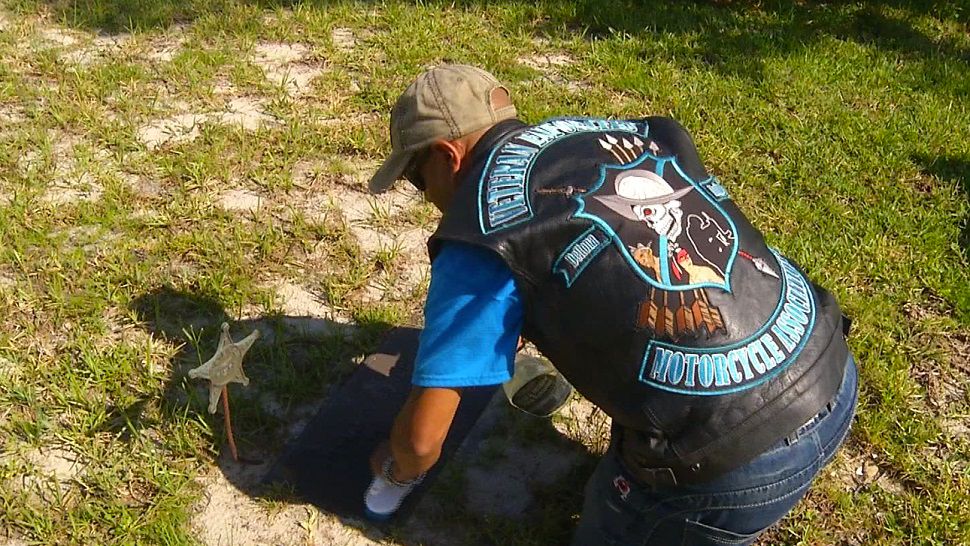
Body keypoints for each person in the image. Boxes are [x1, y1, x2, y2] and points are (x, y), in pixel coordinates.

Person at [364, 64, 857, 545]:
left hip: (737, 468)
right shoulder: (610, 129)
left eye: (416, 179)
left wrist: (391, 464)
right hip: (827, 364)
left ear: (448, 156)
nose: (425, 197)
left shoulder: (478, 234)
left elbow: (421, 443)